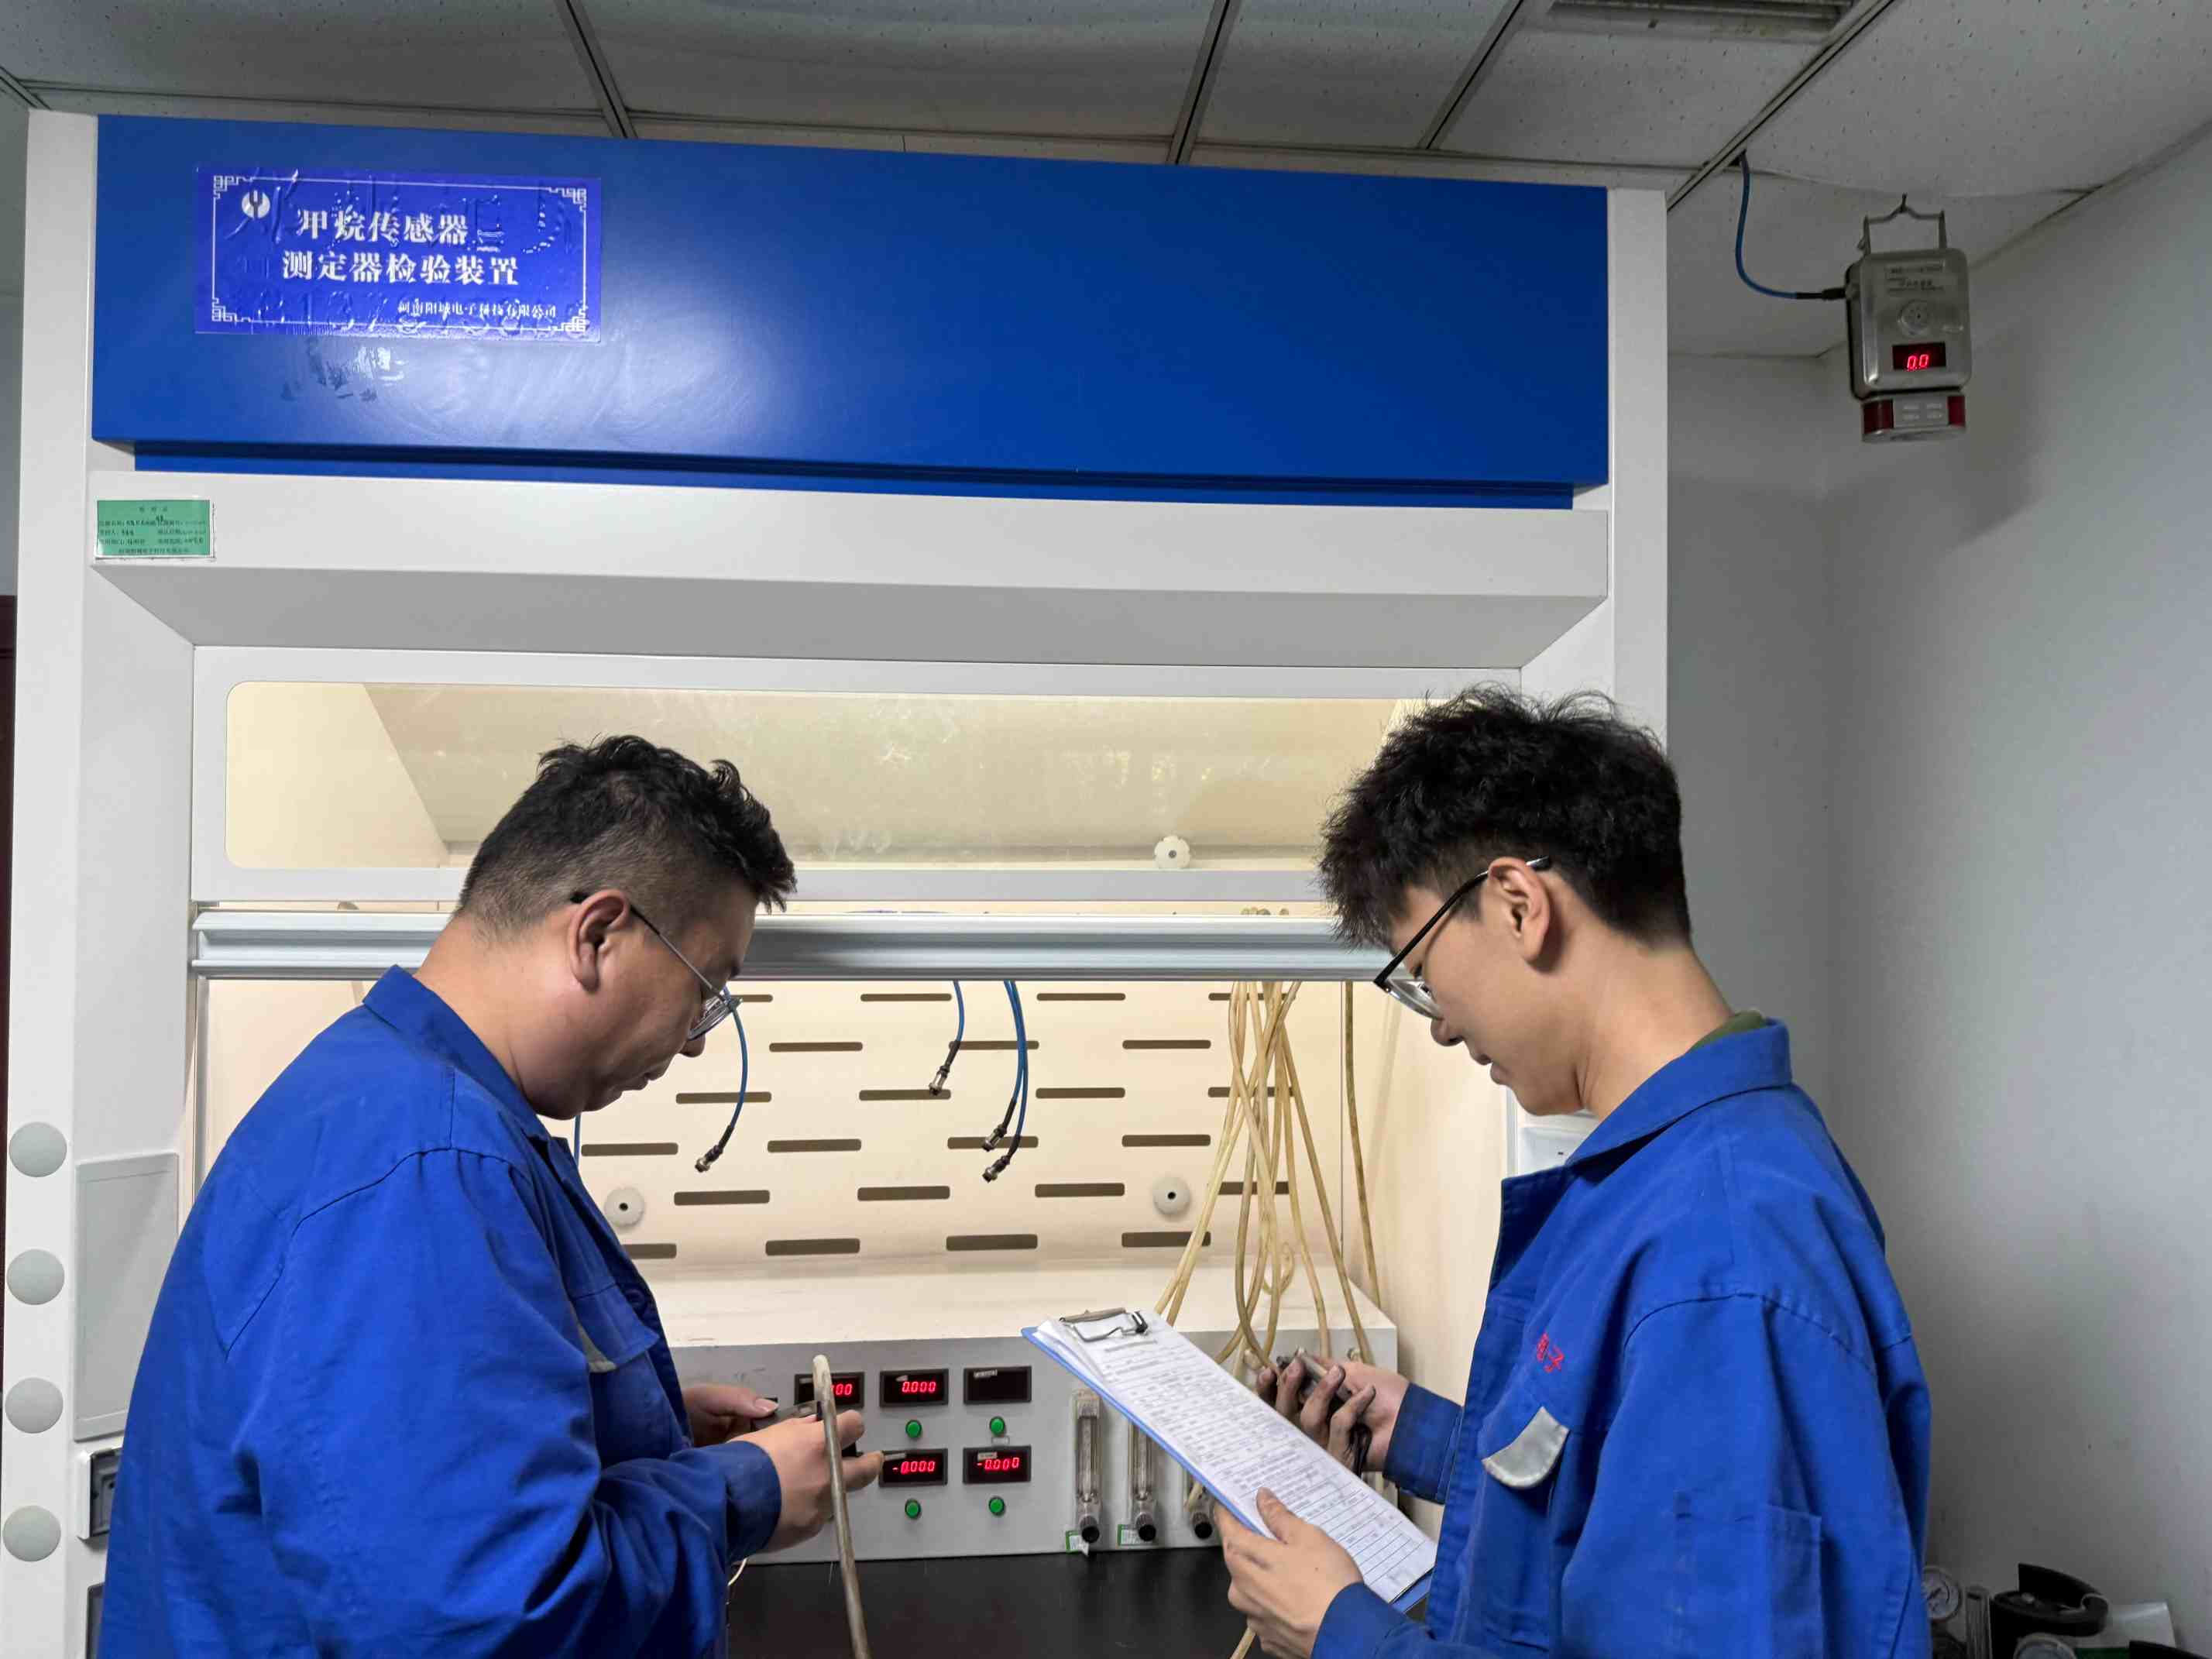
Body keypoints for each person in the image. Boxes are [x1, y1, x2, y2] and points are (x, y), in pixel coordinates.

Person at [101, 736, 883, 1657]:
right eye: (705, 988)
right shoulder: (426, 1164)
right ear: (599, 934)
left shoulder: (387, 1096)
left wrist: (634, 1422)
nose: (696, 1038)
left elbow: (400, 1481)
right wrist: (735, 1495)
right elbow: (482, 1614)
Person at [1218, 688, 1932, 1658]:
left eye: (1423, 970)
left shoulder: (1720, 1253)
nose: (1441, 1024)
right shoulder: (1673, 1179)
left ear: (1520, 906)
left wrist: (1340, 1633)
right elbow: (1623, 1510)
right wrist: (1428, 1437)